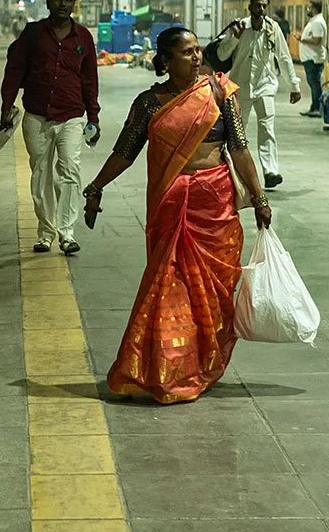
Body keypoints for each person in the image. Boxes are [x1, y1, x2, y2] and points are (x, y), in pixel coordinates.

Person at [81, 26, 272, 404]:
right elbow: (125, 151)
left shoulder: (219, 94)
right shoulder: (149, 103)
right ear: (166, 60)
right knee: (166, 288)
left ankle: (198, 365)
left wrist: (259, 196)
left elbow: (240, 149)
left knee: (214, 294)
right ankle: (163, 370)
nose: (197, 57)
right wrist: (96, 186)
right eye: (186, 52)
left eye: (198, 50)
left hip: (215, 205)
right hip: (172, 203)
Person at [1, 0, 100, 255]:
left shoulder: (83, 37)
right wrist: (6, 105)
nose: (63, 4)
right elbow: (14, 71)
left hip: (71, 115)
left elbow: (90, 79)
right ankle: (45, 232)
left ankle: (66, 233)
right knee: (41, 174)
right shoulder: (33, 33)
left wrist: (93, 117)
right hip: (36, 116)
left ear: (74, 3)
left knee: (70, 171)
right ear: (48, 2)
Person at [203, 0, 299, 189]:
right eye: (258, 6)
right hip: (240, 88)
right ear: (250, 7)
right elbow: (222, 54)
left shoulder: (273, 28)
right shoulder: (239, 27)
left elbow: (284, 57)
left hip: (265, 86)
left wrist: (294, 86)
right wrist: (234, 39)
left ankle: (270, 171)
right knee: (239, 130)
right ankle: (235, 170)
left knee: (267, 129)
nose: (261, 10)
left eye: (264, 6)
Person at [298, 0, 329, 116]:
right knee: (313, 83)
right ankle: (314, 107)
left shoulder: (317, 22)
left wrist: (301, 39)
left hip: (314, 58)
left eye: (309, 8)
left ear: (315, 9)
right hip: (311, 58)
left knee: (315, 84)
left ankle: (317, 108)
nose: (308, 10)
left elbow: (317, 40)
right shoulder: (315, 21)